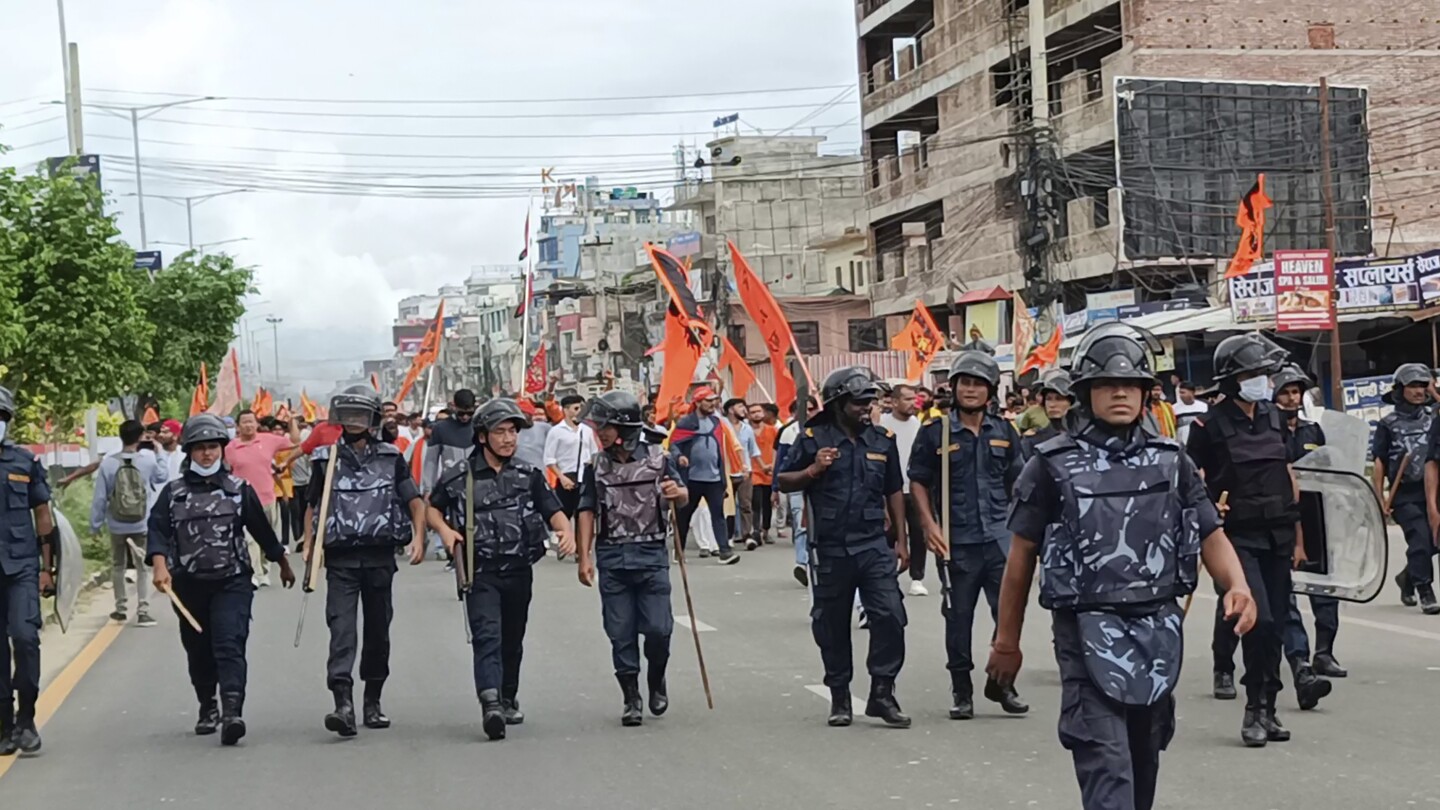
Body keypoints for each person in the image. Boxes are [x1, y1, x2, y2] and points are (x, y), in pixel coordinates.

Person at [988, 323, 1257, 810]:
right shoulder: (1051, 464)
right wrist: (1007, 642)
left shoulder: (1171, 460)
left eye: (1131, 384)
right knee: (1107, 771)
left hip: (1158, 628)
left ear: (1145, 393)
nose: (1119, 393)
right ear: (1084, 392)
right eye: (1107, 385)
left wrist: (1236, 584)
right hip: (1085, 626)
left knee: (1143, 766)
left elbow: (1209, 531)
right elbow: (1021, 557)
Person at [427, 399, 574, 740]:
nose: (509, 439)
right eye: (500, 432)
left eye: (513, 432)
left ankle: (507, 696)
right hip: (481, 573)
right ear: (482, 436)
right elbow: (431, 508)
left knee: (512, 638)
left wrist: (565, 532)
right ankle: (490, 702)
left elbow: (552, 510)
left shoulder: (528, 474)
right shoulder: (458, 476)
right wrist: (446, 532)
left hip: (519, 569)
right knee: (487, 636)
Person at [147, 414, 297, 746]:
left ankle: (232, 712)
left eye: (213, 447)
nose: (207, 455)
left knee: (230, 644)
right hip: (188, 584)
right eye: (200, 449)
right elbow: (157, 532)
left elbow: (261, 529)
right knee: (198, 650)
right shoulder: (173, 493)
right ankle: (207, 705)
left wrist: (282, 562)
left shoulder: (239, 489)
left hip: (232, 581)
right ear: (189, 452)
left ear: (222, 450)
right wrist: (160, 566)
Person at [1186, 331, 1303, 746]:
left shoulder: (1274, 416)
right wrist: (1203, 517)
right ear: (1233, 378)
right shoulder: (1207, 425)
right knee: (1260, 620)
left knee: (1276, 627)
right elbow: (1190, 480)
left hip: (1278, 534)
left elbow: (1288, 472)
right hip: (1236, 539)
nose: (1263, 381)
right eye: (1254, 373)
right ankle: (1253, 709)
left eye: (1265, 374)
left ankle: (1269, 708)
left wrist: (1299, 534)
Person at [778, 366, 910, 728]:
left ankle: (882, 692)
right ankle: (839, 694)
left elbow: (894, 491)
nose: (866, 408)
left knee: (890, 616)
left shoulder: (882, 440)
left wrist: (901, 539)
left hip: (872, 545)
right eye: (858, 402)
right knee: (832, 624)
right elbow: (783, 481)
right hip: (831, 548)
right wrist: (813, 471)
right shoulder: (811, 437)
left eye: (869, 401)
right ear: (838, 404)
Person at [909, 351, 1027, 720]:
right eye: (965, 383)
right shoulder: (935, 432)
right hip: (956, 542)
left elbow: (1020, 484)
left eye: (978, 384)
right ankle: (962, 691)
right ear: (954, 388)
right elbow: (918, 481)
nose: (971, 390)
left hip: (999, 539)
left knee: (1007, 616)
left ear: (990, 390)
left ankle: (1002, 683)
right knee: (958, 618)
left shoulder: (1005, 431)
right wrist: (930, 526)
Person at [303, 386, 425, 738]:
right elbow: (311, 505)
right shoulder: (325, 460)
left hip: (379, 558)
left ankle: (373, 700)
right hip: (341, 560)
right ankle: (343, 703)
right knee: (341, 631)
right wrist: (310, 546)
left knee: (378, 632)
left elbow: (414, 500)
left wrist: (418, 536)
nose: (354, 422)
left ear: (372, 419)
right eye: (348, 415)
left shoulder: (390, 457)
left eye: (360, 415)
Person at [574, 391, 687, 726]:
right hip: (612, 557)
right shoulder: (595, 464)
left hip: (651, 555)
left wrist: (676, 493)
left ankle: (656, 679)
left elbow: (683, 497)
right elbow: (586, 510)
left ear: (623, 426)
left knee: (658, 629)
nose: (600, 432)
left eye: (605, 425)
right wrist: (585, 557)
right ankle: (631, 696)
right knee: (620, 632)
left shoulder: (659, 457)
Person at [1274, 365, 1346, 684]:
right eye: (1285, 392)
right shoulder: (1266, 433)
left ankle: (1324, 653)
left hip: (1316, 520)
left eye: (1296, 392)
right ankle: (1299, 658)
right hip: (1280, 521)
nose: (1292, 398)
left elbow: (1331, 473)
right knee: (1285, 594)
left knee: (1324, 589)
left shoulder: (1313, 431)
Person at [0, 386, 56, 756]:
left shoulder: (24, 462)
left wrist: (47, 568)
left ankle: (27, 719)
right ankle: (4, 726)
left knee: (25, 638)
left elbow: (42, 515)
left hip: (21, 566)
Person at [89, 419, 168, 627]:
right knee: (142, 567)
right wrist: (159, 451)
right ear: (141, 436)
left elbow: (100, 497)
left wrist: (95, 524)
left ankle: (121, 609)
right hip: (142, 522)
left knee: (118, 565)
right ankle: (143, 610)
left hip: (116, 523)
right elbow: (162, 477)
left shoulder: (108, 462)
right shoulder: (148, 459)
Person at [1377, 363, 1437, 613]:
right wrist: (1380, 497)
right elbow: (1379, 461)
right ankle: (1425, 589)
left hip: (1433, 490)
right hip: (1406, 494)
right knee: (1420, 540)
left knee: (1434, 542)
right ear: (1400, 390)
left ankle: (1407, 577)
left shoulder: (1435, 417)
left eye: (1423, 386)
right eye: (1413, 386)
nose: (1419, 391)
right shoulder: (1388, 424)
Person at [224, 410, 299, 587]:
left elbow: (296, 442)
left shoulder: (268, 440)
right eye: (244, 422)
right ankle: (255, 574)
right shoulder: (230, 448)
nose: (248, 425)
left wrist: (292, 420)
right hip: (244, 501)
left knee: (268, 537)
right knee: (250, 539)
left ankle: (265, 569)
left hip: (267, 498)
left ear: (257, 424)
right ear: (237, 426)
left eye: (251, 421)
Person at [670, 387, 741, 565]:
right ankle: (679, 550)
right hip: (692, 479)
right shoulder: (685, 423)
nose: (712, 404)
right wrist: (680, 457)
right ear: (698, 402)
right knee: (684, 517)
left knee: (718, 515)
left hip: (714, 478)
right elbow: (674, 444)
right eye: (708, 400)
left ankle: (724, 551)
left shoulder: (717, 423)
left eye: (714, 400)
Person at [878, 384, 927, 598]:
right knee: (890, 533)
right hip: (890, 489)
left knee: (918, 533)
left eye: (913, 399)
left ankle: (917, 577)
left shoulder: (918, 425)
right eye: (907, 399)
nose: (912, 403)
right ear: (895, 402)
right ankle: (888, 574)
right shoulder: (882, 424)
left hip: (914, 487)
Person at [777, 396, 820, 586]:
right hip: (796, 484)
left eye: (812, 409)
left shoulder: (823, 431)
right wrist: (775, 489)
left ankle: (815, 561)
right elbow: (781, 465)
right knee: (801, 525)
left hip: (819, 486)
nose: (808, 413)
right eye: (804, 410)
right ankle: (802, 563)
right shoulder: (789, 432)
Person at [542, 394, 596, 525]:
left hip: (585, 478)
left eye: (581, 409)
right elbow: (549, 459)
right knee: (564, 515)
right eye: (576, 408)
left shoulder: (587, 430)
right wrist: (561, 477)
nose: (579, 412)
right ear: (565, 410)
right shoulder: (556, 431)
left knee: (584, 516)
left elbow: (594, 453)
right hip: (566, 477)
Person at [723, 398, 762, 550]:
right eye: (741, 407)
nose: (744, 410)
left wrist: (763, 467)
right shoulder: (721, 425)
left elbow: (754, 450)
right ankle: (728, 536)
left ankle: (748, 536)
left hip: (745, 472)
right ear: (731, 409)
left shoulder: (747, 429)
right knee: (728, 506)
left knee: (746, 505)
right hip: (727, 472)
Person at [1020, 371, 1075, 458]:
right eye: (1048, 399)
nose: (1052, 405)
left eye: (1059, 399)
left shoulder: (1083, 438)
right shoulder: (1032, 440)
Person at [749, 403, 780, 547]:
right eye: (753, 412)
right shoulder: (746, 430)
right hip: (754, 471)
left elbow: (777, 449)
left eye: (758, 411)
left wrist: (773, 465)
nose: (756, 414)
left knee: (768, 503)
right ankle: (756, 531)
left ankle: (766, 530)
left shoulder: (772, 430)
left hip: (769, 470)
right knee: (756, 502)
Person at [1172, 381, 1207, 446]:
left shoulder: (1203, 407)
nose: (1180, 395)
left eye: (1183, 393)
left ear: (1192, 392)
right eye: (1180, 393)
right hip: (1182, 444)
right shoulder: (1174, 408)